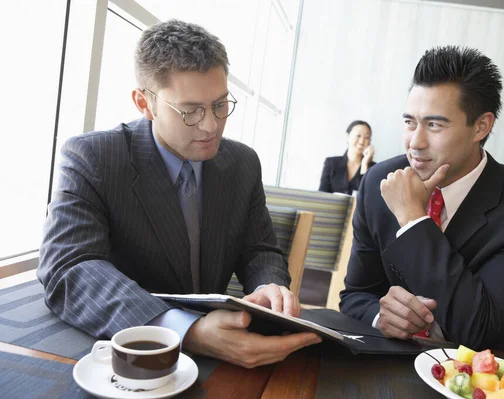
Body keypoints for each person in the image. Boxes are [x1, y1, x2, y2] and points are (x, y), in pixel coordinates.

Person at [37, 19, 320, 368]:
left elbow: (258, 249)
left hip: (226, 350)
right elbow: (70, 267)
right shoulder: (94, 158)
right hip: (126, 356)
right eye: (190, 111)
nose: (211, 125)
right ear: (144, 103)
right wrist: (188, 331)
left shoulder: (242, 163)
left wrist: (270, 288)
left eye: (220, 105)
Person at [339, 46, 504, 352]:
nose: (415, 142)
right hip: (382, 361)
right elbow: (356, 295)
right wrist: (379, 316)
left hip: (472, 378)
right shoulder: (380, 182)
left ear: (481, 126)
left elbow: (477, 327)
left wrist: (413, 220)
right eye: (410, 122)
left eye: (435, 125)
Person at [319, 120, 376, 195]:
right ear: (347, 136)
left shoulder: (374, 168)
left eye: (366, 137)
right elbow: (322, 195)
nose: (362, 141)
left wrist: (364, 165)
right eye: (358, 136)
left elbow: (367, 197)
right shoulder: (331, 163)